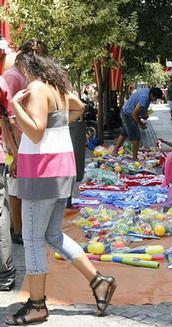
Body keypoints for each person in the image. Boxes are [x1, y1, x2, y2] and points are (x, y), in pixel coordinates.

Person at [4, 39, 117, 325]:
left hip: (42, 170)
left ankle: (37, 304)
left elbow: (37, 132)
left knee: (31, 238)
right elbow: (78, 107)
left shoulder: (37, 89)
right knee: (53, 235)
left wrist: (17, 106)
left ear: (25, 64)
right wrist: (60, 125)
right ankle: (99, 281)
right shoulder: (55, 87)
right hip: (59, 168)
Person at [0, 52, 28, 292]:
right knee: (3, 208)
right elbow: (7, 121)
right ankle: (5, 275)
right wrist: (14, 153)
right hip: (4, 151)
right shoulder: (7, 79)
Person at [111, 87, 163, 160]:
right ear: (152, 95)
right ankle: (134, 158)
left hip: (125, 111)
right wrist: (140, 123)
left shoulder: (147, 91)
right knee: (136, 137)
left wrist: (143, 114)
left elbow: (138, 108)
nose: (155, 100)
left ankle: (115, 151)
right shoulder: (144, 98)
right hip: (128, 115)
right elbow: (134, 113)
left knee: (124, 133)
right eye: (156, 98)